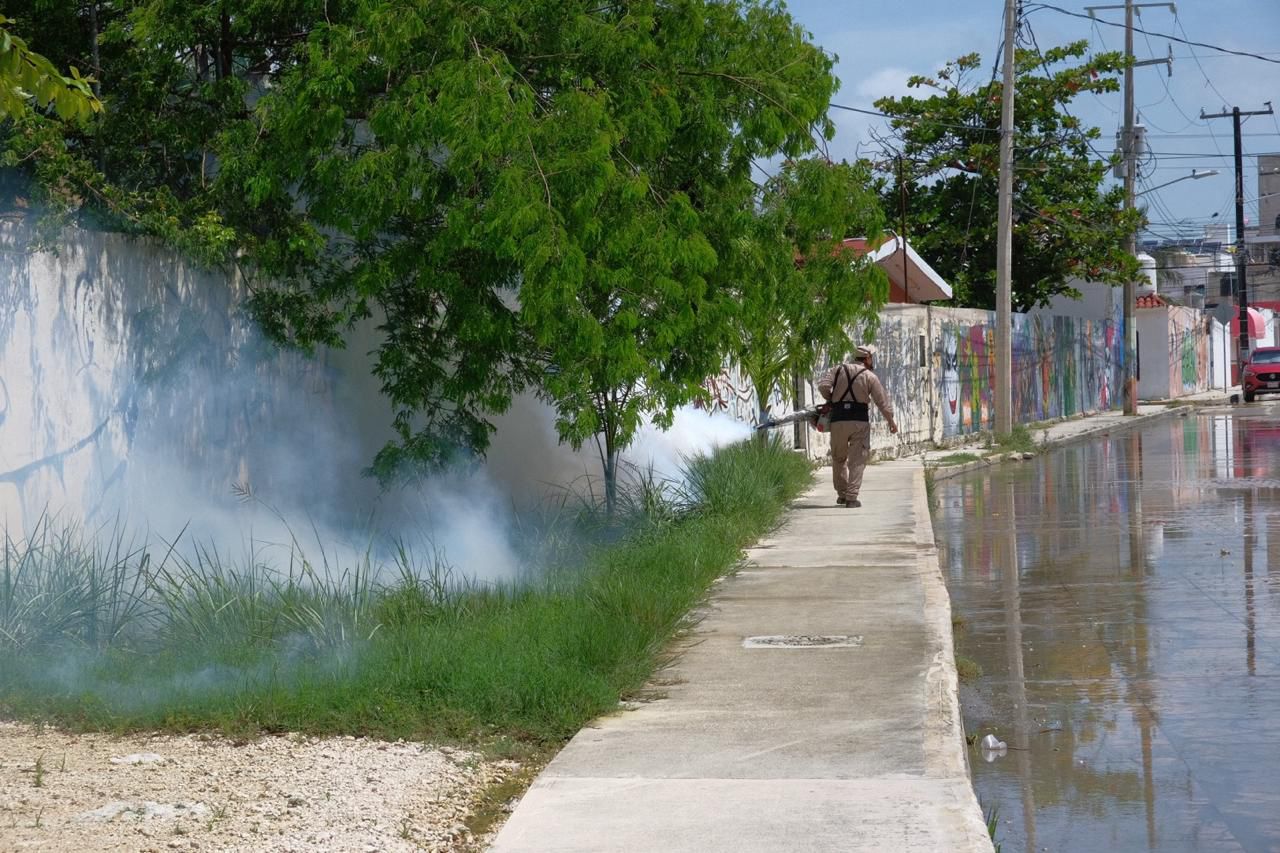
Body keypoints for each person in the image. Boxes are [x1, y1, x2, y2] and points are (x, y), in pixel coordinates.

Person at [817, 344, 898, 508]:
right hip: (859, 422)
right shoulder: (869, 376)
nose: (872, 360)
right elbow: (882, 402)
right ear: (867, 358)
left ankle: (842, 494)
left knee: (838, 458)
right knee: (857, 460)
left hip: (838, 420)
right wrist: (891, 422)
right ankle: (852, 498)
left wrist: (831, 398)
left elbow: (823, 386)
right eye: (871, 357)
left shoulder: (837, 370)